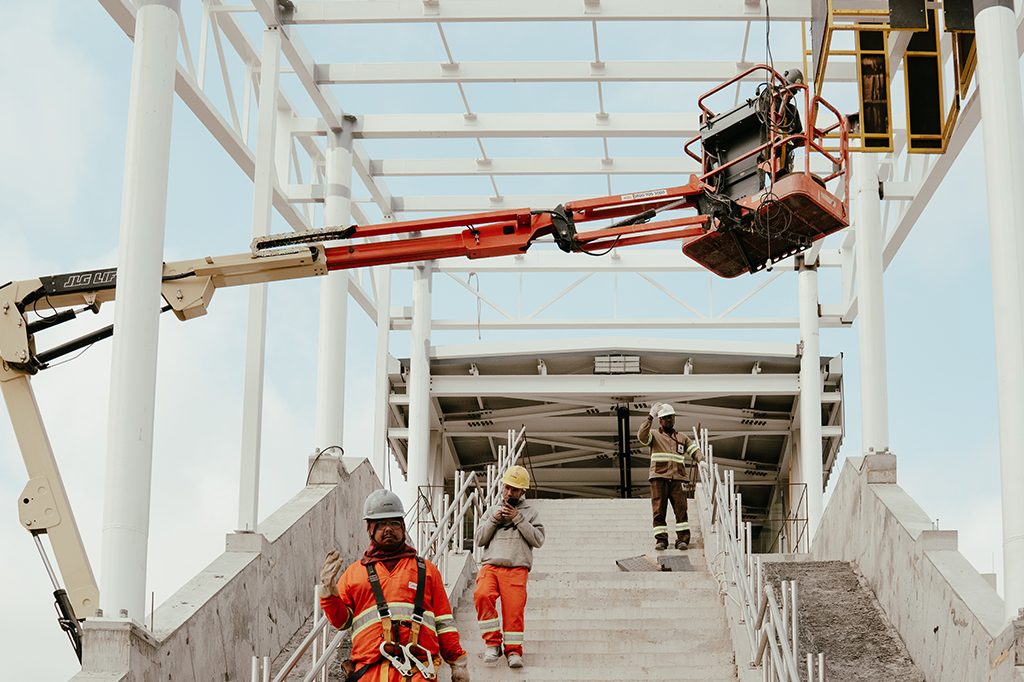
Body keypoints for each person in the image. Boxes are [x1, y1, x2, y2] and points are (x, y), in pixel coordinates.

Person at [317, 489, 470, 682]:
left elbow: (444, 622)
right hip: (369, 672)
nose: (388, 529)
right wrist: (329, 593)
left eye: (394, 523)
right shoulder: (353, 573)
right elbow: (341, 622)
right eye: (381, 524)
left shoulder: (427, 570)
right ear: (369, 528)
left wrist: (458, 663)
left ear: (403, 526)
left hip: (418, 671)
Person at [473, 465, 545, 669]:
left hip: (517, 568)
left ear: (523, 491)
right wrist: (494, 520)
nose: (509, 493)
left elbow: (538, 540)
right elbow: (479, 539)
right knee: (482, 594)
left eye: (514, 489)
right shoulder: (491, 511)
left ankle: (513, 651)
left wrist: (518, 518)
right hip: (491, 565)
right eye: (506, 488)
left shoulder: (531, 513)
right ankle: (493, 644)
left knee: (514, 611)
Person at [638, 402, 705, 551]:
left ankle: (683, 540)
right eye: (666, 418)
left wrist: (701, 460)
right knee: (658, 511)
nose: (670, 420)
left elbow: (694, 449)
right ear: (660, 420)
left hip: (678, 479)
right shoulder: (654, 435)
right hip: (659, 478)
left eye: (672, 417)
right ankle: (661, 541)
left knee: (681, 510)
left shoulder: (682, 437)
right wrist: (650, 416)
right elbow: (642, 436)